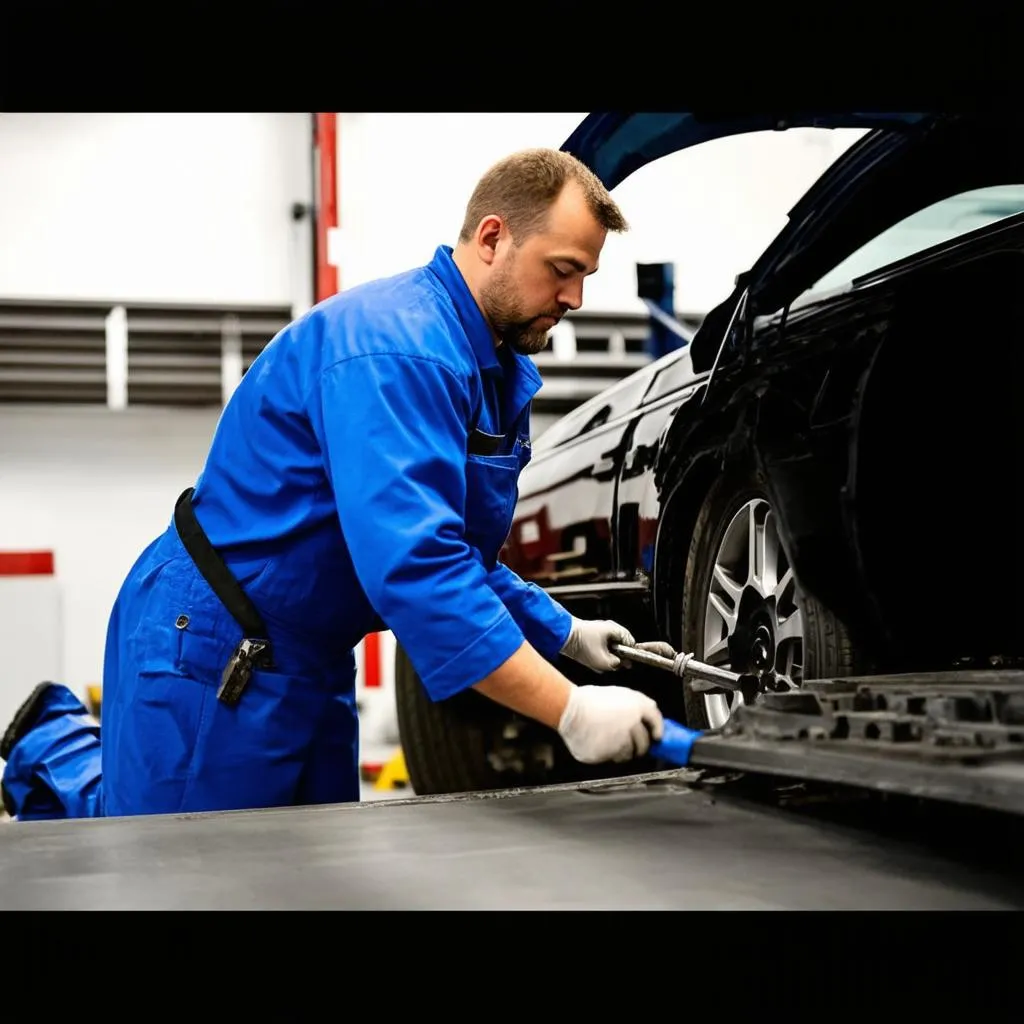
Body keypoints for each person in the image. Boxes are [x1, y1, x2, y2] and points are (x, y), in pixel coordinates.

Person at [0, 147, 672, 822]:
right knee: (169, 867)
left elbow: (458, 555)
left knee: (301, 873)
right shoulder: (398, 350)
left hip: (312, 652)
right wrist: (569, 708)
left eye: (585, 276)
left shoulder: (489, 370)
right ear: (494, 237)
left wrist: (566, 632)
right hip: (216, 636)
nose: (575, 299)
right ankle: (50, 741)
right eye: (562, 270)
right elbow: (419, 570)